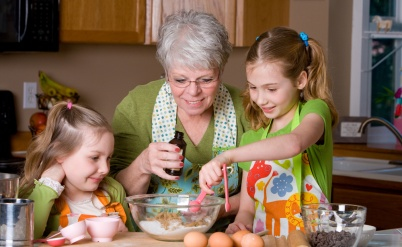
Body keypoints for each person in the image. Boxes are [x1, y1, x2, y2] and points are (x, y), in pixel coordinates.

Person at [109, 10, 249, 229]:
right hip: (150, 238)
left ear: (221, 72)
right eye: (180, 80)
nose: (193, 92)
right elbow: (113, 197)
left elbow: (260, 189)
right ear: (166, 72)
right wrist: (143, 165)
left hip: (221, 237)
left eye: (206, 79)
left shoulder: (245, 109)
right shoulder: (136, 106)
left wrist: (214, 211)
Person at [199, 26, 339, 237]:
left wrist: (227, 156)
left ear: (300, 80)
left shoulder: (315, 112)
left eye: (271, 89)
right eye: (253, 87)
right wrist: (240, 225)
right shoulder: (252, 139)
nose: (260, 99)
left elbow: (293, 144)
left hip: (313, 241)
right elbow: (247, 210)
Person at [19, 102, 135, 239]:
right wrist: (49, 185)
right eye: (95, 157)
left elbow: (137, 240)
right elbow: (24, 237)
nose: (105, 169)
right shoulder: (32, 194)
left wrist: (125, 236)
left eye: (108, 158)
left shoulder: (114, 190)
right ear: (60, 153)